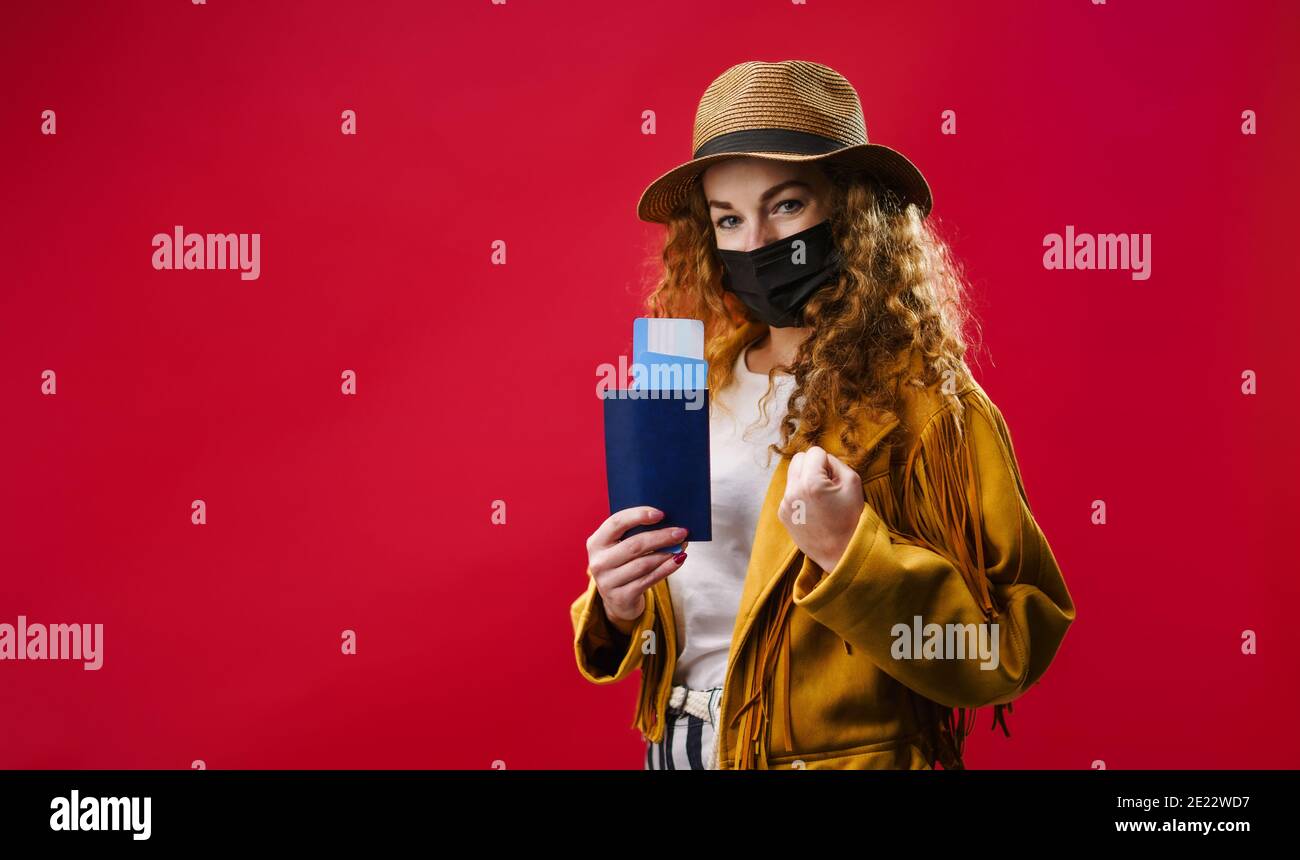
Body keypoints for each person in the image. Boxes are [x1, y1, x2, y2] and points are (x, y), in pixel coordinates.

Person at [569, 60, 1076, 770]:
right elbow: (694, 590)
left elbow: (1013, 641)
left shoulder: (927, 400)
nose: (756, 244)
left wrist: (852, 555)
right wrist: (617, 605)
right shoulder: (695, 379)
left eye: (786, 206)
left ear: (852, 209)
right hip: (676, 749)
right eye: (728, 219)